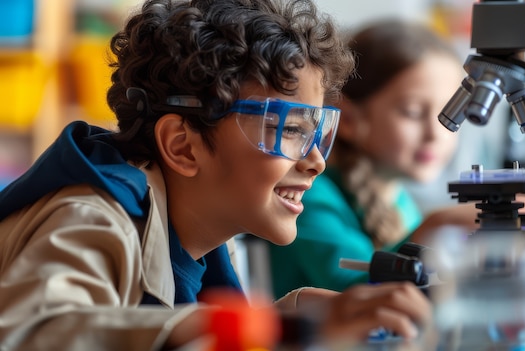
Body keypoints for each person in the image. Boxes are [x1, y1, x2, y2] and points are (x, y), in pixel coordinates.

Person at [0, 1, 432, 350]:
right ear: (182, 146)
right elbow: (30, 334)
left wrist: (283, 319)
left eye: (319, 132)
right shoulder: (92, 216)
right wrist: (272, 332)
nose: (316, 159)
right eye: (290, 130)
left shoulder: (200, 245)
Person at [269, 20, 484, 297]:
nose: (437, 132)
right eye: (413, 112)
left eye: (451, 112)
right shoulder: (308, 198)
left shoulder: (401, 203)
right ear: (348, 118)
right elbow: (354, 291)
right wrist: (433, 228)